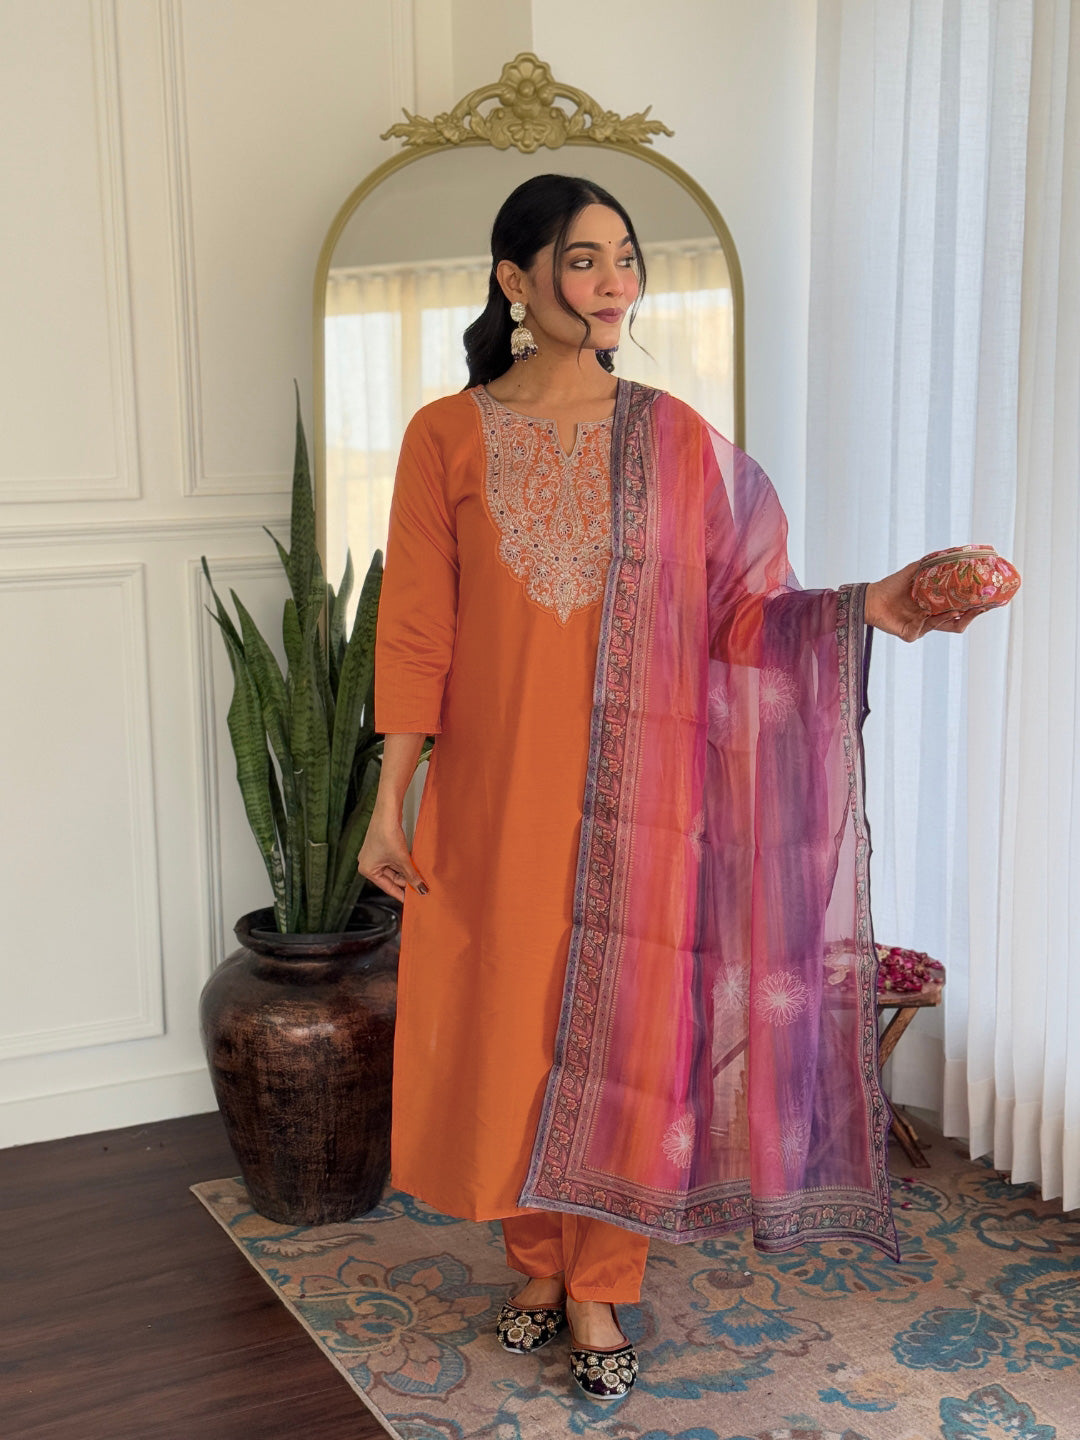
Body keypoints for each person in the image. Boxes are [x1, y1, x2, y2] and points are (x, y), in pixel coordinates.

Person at [356, 173, 985, 1404]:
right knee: (514, 1030)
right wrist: (392, 800)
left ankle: (597, 1283)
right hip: (490, 795)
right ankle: (532, 1260)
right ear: (515, 279)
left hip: (644, 799)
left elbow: (747, 610)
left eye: (626, 261)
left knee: (626, 1039)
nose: (612, 286)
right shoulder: (444, 434)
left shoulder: (678, 437)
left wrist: (876, 607)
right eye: (584, 261)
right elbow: (416, 632)